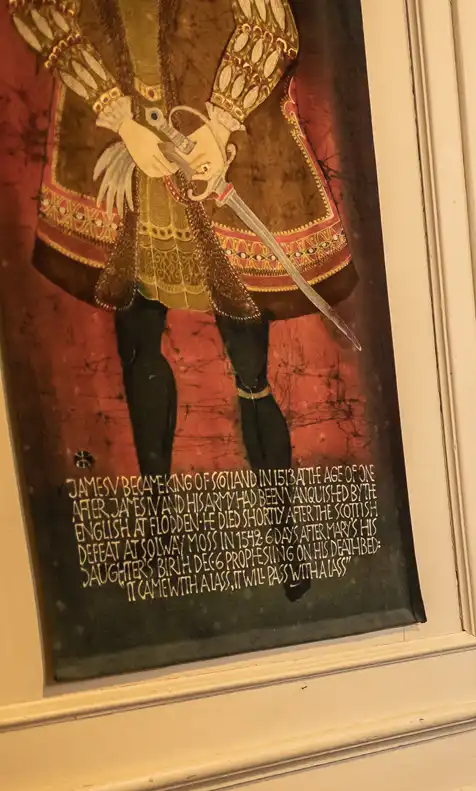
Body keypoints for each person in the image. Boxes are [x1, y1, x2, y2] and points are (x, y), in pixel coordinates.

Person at [10, 0, 357, 598]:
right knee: (140, 353)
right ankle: (159, 530)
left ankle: (285, 541)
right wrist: (120, 120)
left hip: (208, 163)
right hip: (131, 172)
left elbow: (271, 26)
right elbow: (37, 10)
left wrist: (220, 125)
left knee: (251, 375)